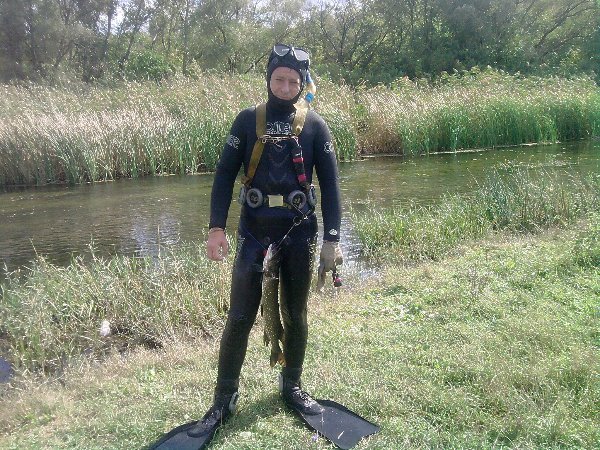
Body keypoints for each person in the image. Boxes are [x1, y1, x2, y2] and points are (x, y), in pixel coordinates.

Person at [188, 44, 343, 437]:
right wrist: (216, 228)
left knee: (295, 314)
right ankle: (224, 398)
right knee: (240, 316)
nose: (285, 87)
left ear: (302, 83)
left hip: (300, 232)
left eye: (293, 81)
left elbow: (331, 186)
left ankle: (292, 386)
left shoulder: (315, 126)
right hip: (254, 232)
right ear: (268, 78)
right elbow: (224, 174)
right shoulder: (247, 121)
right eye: (279, 79)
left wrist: (332, 240)